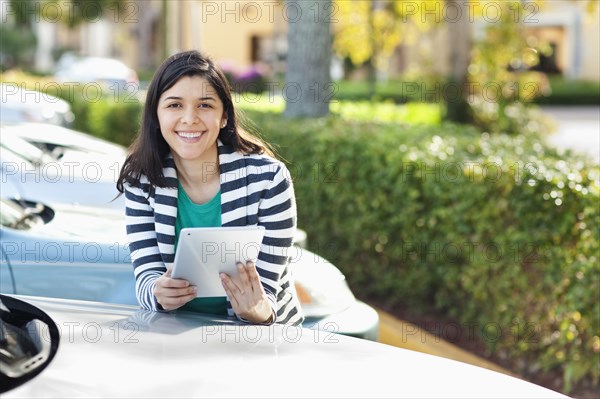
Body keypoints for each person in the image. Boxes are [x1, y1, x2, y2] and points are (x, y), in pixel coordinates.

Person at [116, 50, 303, 326]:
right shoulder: (141, 180)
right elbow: (146, 277)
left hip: (263, 340)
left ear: (224, 116)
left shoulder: (269, 179)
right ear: (156, 116)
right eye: (174, 105)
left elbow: (268, 297)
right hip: (178, 337)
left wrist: (257, 310)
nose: (190, 118)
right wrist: (158, 293)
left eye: (204, 105)